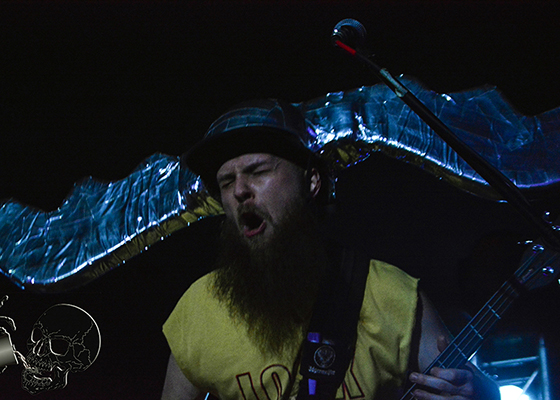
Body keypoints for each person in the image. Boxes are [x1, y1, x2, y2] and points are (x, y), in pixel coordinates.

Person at [161, 99, 500, 400]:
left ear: (311, 182)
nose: (239, 191)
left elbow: (467, 385)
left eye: (258, 171)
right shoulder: (199, 308)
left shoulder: (390, 294)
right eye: (226, 182)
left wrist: (477, 393)